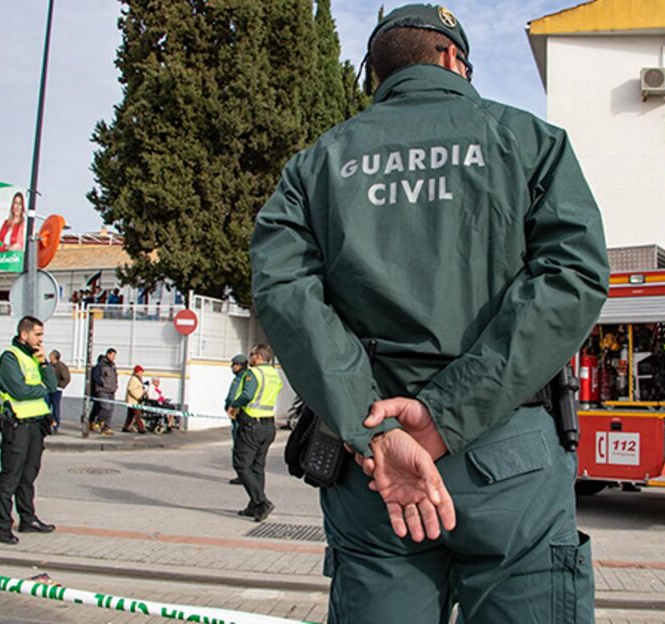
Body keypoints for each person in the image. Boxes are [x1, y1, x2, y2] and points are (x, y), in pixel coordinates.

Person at [249, 5, 609, 622]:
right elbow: (572, 276)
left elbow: (283, 293)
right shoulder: (528, 141)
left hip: (372, 463)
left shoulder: (316, 164)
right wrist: (444, 417)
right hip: (507, 453)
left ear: (378, 74)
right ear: (450, 58)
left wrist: (375, 434)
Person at [0, 316, 59, 545]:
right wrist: (40, 388)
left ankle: (28, 519)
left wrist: (44, 363)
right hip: (17, 425)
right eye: (37, 335)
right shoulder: (10, 357)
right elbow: (19, 391)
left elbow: (52, 385)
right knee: (10, 477)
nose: (41, 340)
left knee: (29, 476)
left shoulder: (33, 358)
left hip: (36, 425)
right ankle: (2, 527)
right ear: (24, 334)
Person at [227, 345, 282, 522]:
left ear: (258, 357)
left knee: (241, 465)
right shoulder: (274, 374)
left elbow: (247, 394)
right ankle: (253, 505)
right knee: (257, 466)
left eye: (251, 355)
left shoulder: (254, 373)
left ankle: (261, 503)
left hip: (252, 424)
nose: (249, 358)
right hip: (268, 425)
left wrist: (234, 405)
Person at [225, 354, 248, 485]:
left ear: (239, 365)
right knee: (238, 445)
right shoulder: (238, 378)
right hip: (236, 416)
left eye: (234, 364)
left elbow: (238, 396)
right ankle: (241, 473)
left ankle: (243, 473)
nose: (232, 367)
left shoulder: (244, 378)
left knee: (240, 446)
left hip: (239, 417)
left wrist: (233, 407)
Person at [88, 348, 118, 435]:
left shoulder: (113, 366)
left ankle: (106, 427)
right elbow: (96, 376)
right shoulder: (101, 365)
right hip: (102, 390)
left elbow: (115, 377)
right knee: (106, 407)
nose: (114, 357)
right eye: (112, 355)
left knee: (111, 409)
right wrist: (102, 384)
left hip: (111, 390)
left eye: (115, 356)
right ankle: (98, 421)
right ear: (108, 354)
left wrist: (115, 386)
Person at [48, 350, 70, 433]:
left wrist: (59, 386)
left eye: (51, 355)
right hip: (48, 389)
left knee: (55, 407)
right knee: (46, 406)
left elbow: (66, 378)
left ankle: (56, 424)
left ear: (54, 356)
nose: (49, 357)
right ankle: (47, 423)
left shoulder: (61, 366)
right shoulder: (49, 365)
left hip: (56, 390)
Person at [123, 364, 147, 433]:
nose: (142, 373)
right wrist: (138, 397)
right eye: (141, 372)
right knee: (137, 415)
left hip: (134, 401)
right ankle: (141, 428)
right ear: (138, 372)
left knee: (130, 415)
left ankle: (126, 427)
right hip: (134, 401)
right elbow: (131, 389)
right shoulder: (134, 379)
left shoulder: (137, 379)